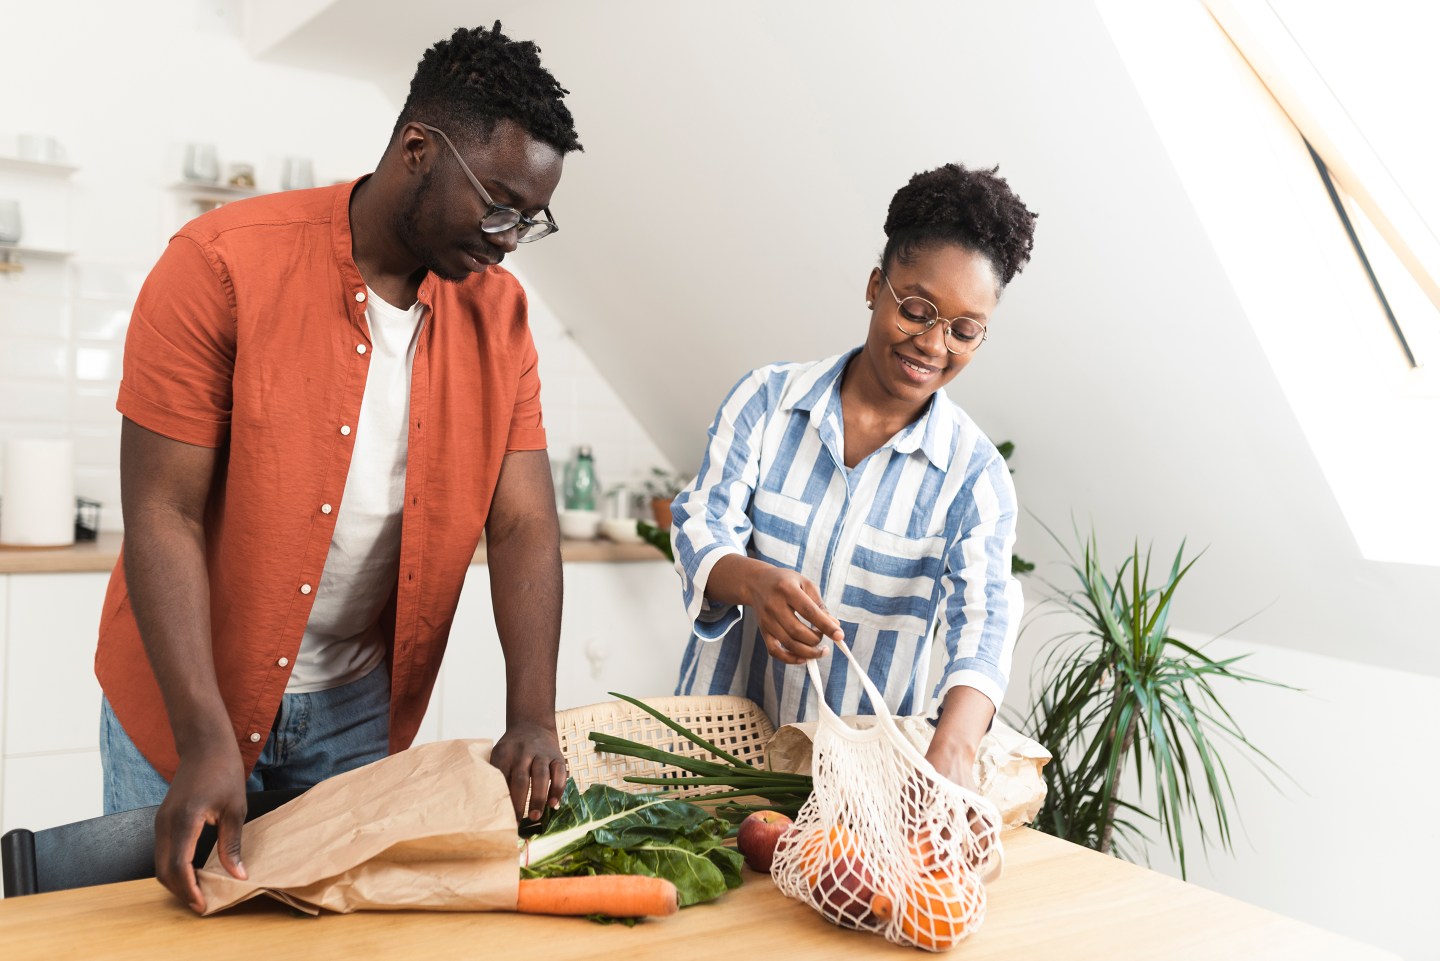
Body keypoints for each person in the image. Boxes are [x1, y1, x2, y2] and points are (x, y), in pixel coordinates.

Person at [95, 23, 582, 913]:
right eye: (501, 206)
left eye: (532, 218)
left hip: (356, 713)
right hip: (186, 700)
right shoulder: (220, 264)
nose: (511, 241)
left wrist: (533, 716)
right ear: (417, 150)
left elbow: (522, 524)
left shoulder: (500, 316)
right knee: (164, 931)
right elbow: (164, 512)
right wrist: (206, 736)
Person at [671, 162, 1037, 789]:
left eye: (965, 330)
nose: (933, 343)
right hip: (713, 762)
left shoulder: (974, 478)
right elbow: (701, 526)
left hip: (857, 788)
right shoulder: (767, 402)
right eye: (917, 308)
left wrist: (952, 748)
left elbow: (985, 621)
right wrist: (755, 583)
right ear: (876, 286)